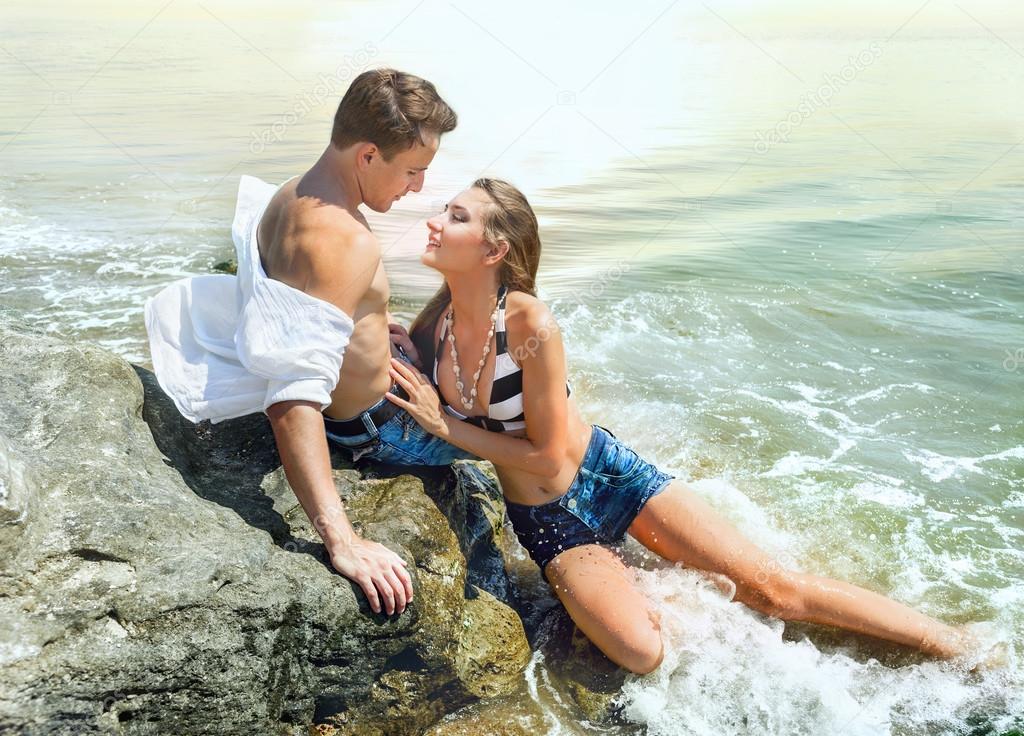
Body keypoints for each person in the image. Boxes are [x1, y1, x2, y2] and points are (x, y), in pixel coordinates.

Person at [381, 178, 976, 674]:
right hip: (549, 523)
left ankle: (955, 643)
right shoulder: (432, 328)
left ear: (493, 251)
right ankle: (669, 586)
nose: (434, 221)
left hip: (610, 476)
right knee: (640, 652)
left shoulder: (530, 321)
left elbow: (542, 452)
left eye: (455, 215)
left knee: (774, 592)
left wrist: (444, 425)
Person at [146, 69, 475, 620]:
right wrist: (341, 540)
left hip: (375, 390)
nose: (419, 187)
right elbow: (292, 400)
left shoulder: (293, 193)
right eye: (414, 171)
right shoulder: (342, 242)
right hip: (377, 428)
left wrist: (369, 326)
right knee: (542, 441)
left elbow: (303, 306)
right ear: (368, 155)